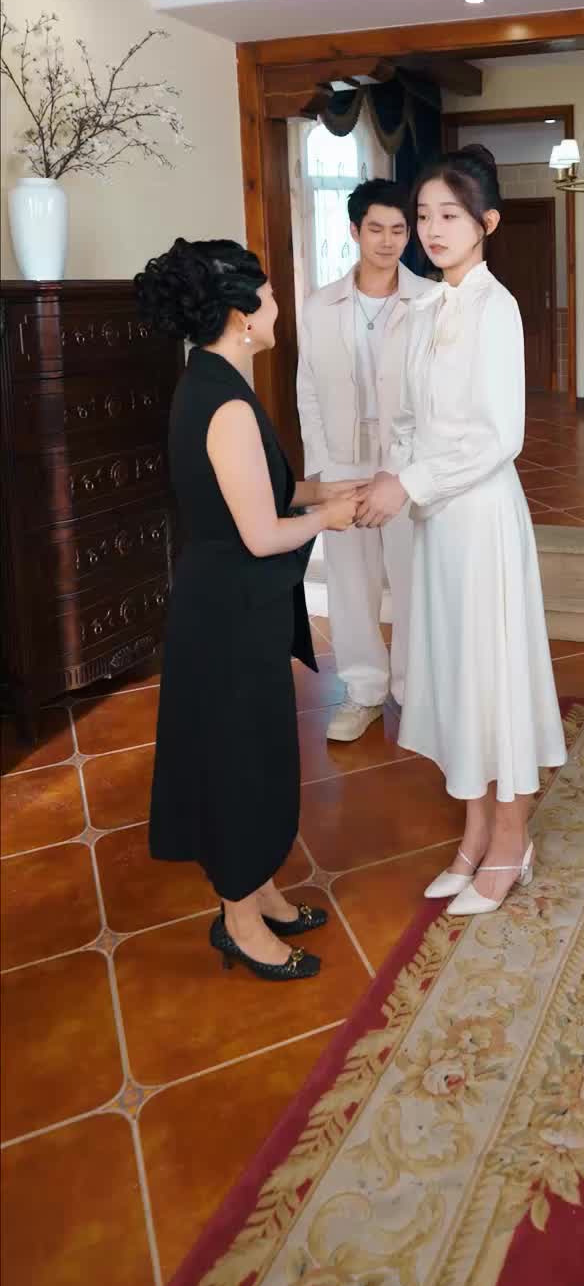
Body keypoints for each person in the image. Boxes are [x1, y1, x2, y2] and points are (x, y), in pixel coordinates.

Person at [134, 239, 362, 981]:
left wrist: (326, 492)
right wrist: (328, 519)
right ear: (239, 315)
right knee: (238, 760)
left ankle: (257, 888)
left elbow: (261, 495)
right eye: (266, 294)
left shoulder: (214, 380)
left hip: (232, 602)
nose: (276, 306)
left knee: (254, 750)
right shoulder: (224, 402)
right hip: (229, 612)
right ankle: (238, 920)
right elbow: (262, 535)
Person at [355, 145, 566, 915]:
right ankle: (475, 833)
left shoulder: (493, 307)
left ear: (487, 223)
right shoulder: (425, 308)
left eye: (449, 215)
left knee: (490, 674)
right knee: (454, 673)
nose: (432, 229)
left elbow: (500, 436)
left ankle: (510, 839)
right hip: (437, 521)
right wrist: (394, 478)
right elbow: (411, 421)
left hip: (481, 517)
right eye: (423, 216)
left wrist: (409, 482)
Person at [297, 180, 425, 744]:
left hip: (406, 459)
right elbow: (307, 390)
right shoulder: (319, 305)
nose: (388, 241)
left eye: (399, 230)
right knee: (350, 581)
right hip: (342, 459)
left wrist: (416, 467)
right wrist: (320, 472)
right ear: (354, 231)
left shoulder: (430, 300)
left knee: (414, 577)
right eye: (376, 229)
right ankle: (363, 690)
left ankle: (416, 691)